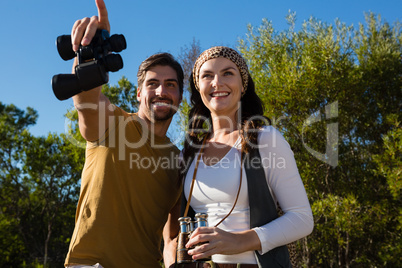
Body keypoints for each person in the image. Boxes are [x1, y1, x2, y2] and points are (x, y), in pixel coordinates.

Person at [63, 0, 183, 267]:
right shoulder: (113, 122)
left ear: (180, 97)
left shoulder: (180, 161)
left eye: (170, 85)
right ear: (139, 93)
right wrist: (89, 52)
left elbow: (172, 235)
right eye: (152, 84)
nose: (161, 91)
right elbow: (86, 99)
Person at [170, 46, 314, 268]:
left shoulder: (265, 139)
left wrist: (238, 240)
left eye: (228, 73)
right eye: (207, 75)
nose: (217, 82)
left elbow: (302, 219)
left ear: (243, 84)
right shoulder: (189, 152)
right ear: (199, 88)